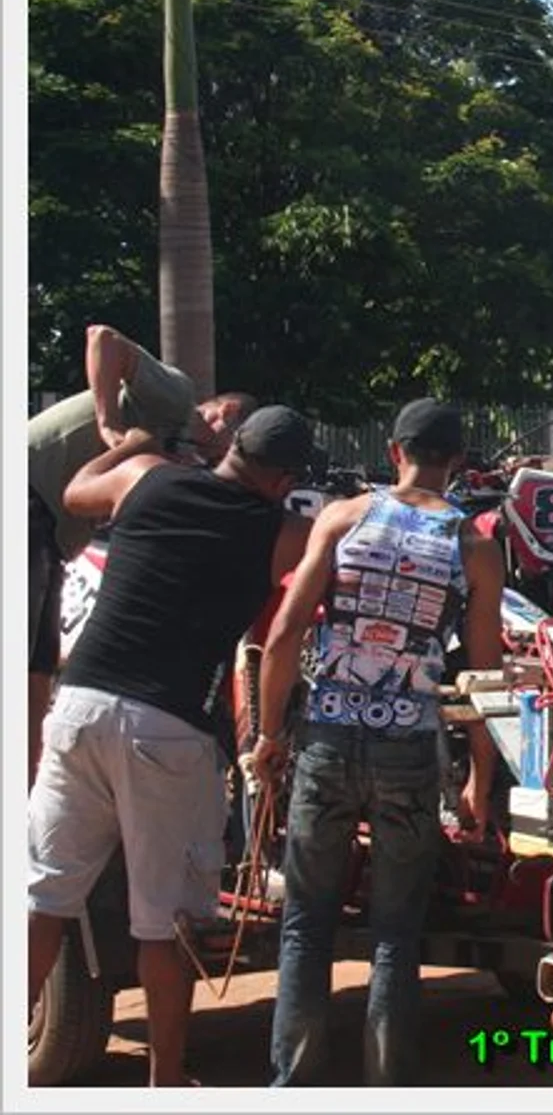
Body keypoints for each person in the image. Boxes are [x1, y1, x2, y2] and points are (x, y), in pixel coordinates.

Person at [26, 406, 317, 1087]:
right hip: (169, 729)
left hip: (78, 708)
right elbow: (334, 554)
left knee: (45, 897)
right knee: (167, 923)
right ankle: (165, 1078)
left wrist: (130, 441)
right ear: (284, 480)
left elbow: (75, 492)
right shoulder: (280, 532)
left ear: (231, 446)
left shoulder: (147, 477)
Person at [253, 399, 504, 1087]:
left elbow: (285, 634)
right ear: (458, 462)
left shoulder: (342, 519)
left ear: (395, 452)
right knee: (396, 930)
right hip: (409, 745)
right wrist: (480, 776)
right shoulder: (474, 546)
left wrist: (269, 736)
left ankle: (292, 1085)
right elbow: (484, 675)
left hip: (328, 738)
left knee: (307, 921)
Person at [26, 323, 256, 783]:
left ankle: (27, 785)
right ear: (224, 414)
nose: (223, 461)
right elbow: (102, 338)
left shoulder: (183, 454)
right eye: (231, 449)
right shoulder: (174, 398)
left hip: (51, 532)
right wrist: (108, 422)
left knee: (39, 666)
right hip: (30, 499)